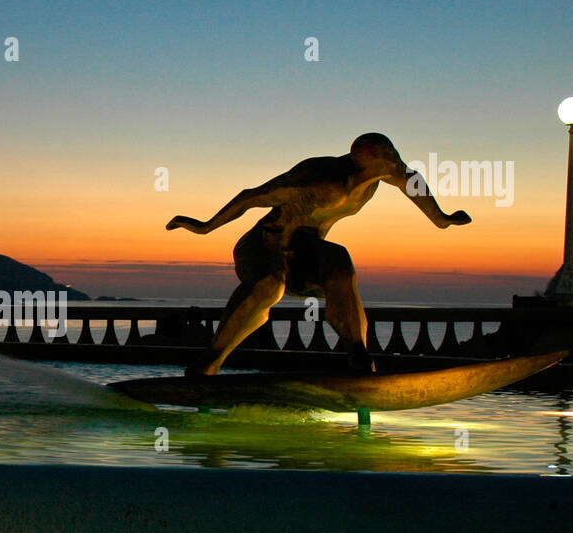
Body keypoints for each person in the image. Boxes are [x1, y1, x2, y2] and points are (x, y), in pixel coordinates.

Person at [166, 133, 470, 375]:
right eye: (387, 161)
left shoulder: (387, 173)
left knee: (339, 263)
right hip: (264, 244)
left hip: (304, 251)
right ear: (365, 163)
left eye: (394, 158)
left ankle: (358, 358)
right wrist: (205, 227)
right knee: (269, 285)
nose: (396, 166)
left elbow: (413, 182)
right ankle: (210, 363)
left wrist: (441, 219)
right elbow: (251, 197)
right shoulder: (318, 177)